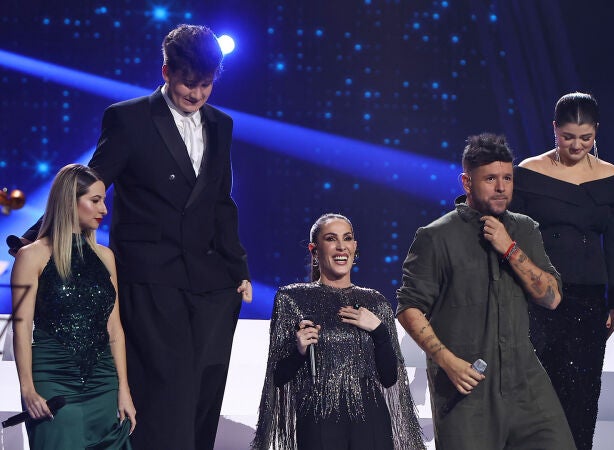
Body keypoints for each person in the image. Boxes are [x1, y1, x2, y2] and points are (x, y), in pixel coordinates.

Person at [17, 24, 252, 449]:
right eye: (188, 82)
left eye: (206, 84)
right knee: (165, 393)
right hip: (150, 276)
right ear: (166, 71)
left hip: (209, 280)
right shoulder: (129, 118)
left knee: (204, 388)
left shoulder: (222, 125)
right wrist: (38, 240)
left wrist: (238, 268)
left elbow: (221, 201)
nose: (197, 93)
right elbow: (90, 182)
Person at [396, 133, 576, 450]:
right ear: (467, 182)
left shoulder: (525, 229)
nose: (501, 187)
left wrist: (510, 249)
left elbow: (552, 297)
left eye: (507, 178)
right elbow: (409, 307)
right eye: (490, 179)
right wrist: (447, 362)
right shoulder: (436, 237)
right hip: (467, 389)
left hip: (526, 383)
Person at [508, 92, 614, 449]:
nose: (577, 145)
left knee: (581, 392)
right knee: (534, 390)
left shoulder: (609, 176)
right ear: (554, 130)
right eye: (568, 137)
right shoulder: (529, 172)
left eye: (586, 138)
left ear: (596, 132)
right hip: (538, 295)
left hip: (588, 298)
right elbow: (513, 236)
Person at [251, 213, 424, 450]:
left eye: (347, 238)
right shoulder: (292, 299)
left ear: (355, 247)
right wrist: (299, 351)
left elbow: (389, 378)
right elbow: (278, 377)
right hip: (319, 420)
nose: (341, 246)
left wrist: (380, 331)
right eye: (331, 239)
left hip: (371, 422)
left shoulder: (376, 302)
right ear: (314, 250)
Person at [11, 164, 136, 449]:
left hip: (103, 383)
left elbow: (115, 330)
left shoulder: (105, 257)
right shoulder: (31, 256)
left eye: (104, 200)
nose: (104, 209)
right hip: (52, 380)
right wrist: (27, 388)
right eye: (95, 200)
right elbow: (22, 328)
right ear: (69, 201)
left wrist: (124, 390)